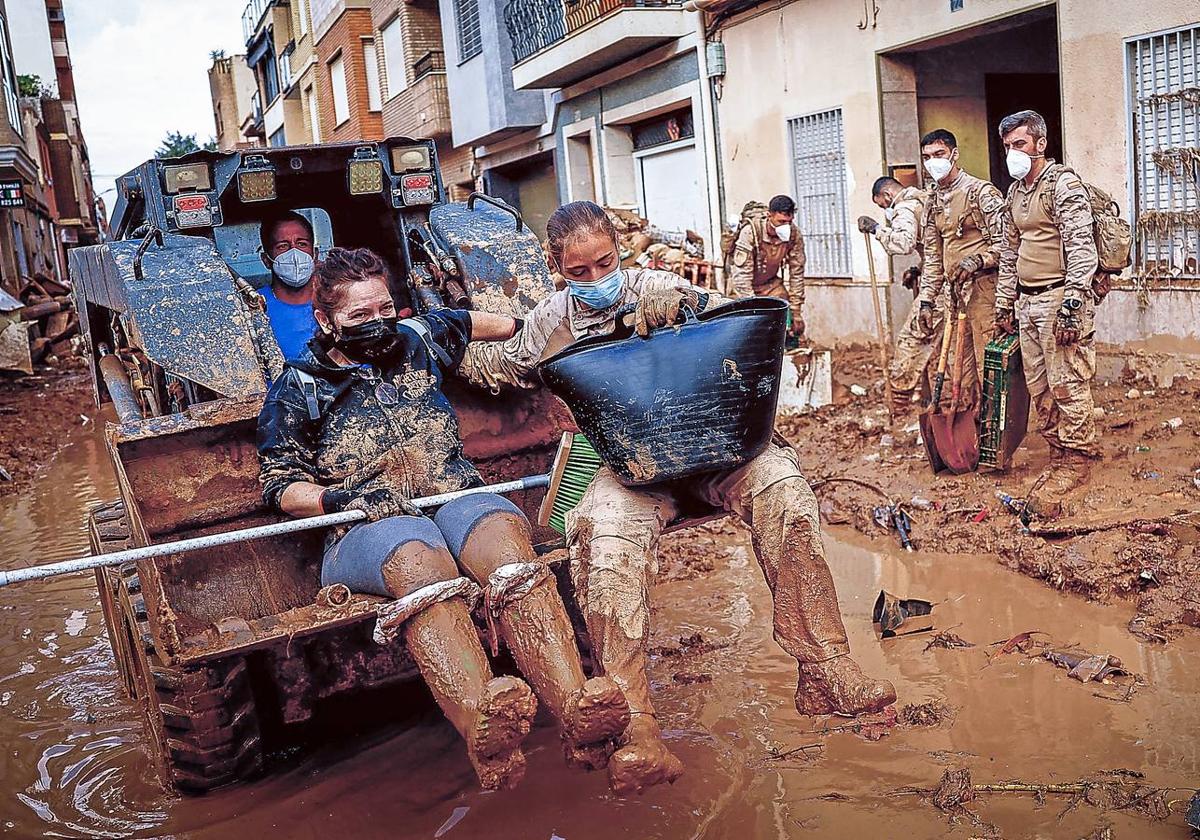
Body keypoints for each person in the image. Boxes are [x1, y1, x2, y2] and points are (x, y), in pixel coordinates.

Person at [458, 201, 896, 796]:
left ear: (620, 252)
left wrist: (688, 310)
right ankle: (637, 728)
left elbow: (738, 327)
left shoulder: (655, 285)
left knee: (786, 492)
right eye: (577, 273)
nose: (594, 281)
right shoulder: (551, 318)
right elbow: (508, 365)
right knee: (603, 537)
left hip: (718, 445)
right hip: (635, 468)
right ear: (558, 270)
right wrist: (439, 340)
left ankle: (825, 667)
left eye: (604, 264)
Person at [257, 246, 630, 791]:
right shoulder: (299, 389)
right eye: (359, 317)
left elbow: (493, 324)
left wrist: (564, 335)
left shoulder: (420, 338)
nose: (377, 324)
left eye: (385, 309)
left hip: (454, 496)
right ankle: (483, 729)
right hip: (364, 526)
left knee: (505, 542)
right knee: (418, 558)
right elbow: (279, 487)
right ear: (325, 320)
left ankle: (576, 709)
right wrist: (338, 499)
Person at [994, 109, 1100, 518]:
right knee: (1040, 385)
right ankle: (1058, 451)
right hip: (1027, 301)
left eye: (1019, 144)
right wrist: (1005, 301)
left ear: (1040, 144)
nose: (1013, 153)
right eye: (1007, 147)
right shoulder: (1015, 192)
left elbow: (1080, 246)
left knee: (1068, 382)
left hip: (1059, 298)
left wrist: (1073, 304)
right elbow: (1008, 251)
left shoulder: (1062, 186)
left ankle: (1079, 457)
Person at [915, 129, 1006, 408]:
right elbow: (933, 257)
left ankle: (997, 439)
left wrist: (980, 260)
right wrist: (926, 300)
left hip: (984, 294)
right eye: (927, 157)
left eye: (939, 155)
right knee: (959, 371)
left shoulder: (980, 193)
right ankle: (968, 439)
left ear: (954, 154)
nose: (933, 162)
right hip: (953, 298)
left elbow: (1009, 244)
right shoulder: (931, 201)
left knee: (988, 368)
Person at [859, 177, 935, 416]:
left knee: (911, 341)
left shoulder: (905, 207)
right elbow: (935, 247)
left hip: (942, 288)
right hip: (944, 276)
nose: (885, 210)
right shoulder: (925, 199)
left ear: (887, 196)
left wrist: (877, 230)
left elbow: (903, 244)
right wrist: (919, 269)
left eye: (882, 205)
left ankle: (898, 406)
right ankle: (935, 400)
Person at [728, 195, 807, 343]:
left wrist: (796, 312)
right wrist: (755, 310)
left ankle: (787, 353)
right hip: (742, 289)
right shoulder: (751, 232)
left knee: (784, 315)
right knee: (746, 330)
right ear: (769, 215)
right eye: (781, 222)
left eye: (789, 222)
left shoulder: (793, 234)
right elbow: (742, 277)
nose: (786, 226)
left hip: (770, 284)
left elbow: (797, 272)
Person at [259, 211, 320, 361]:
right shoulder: (254, 307)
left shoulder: (338, 299)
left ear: (315, 254)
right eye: (282, 246)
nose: (294, 253)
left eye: (302, 244)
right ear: (266, 260)